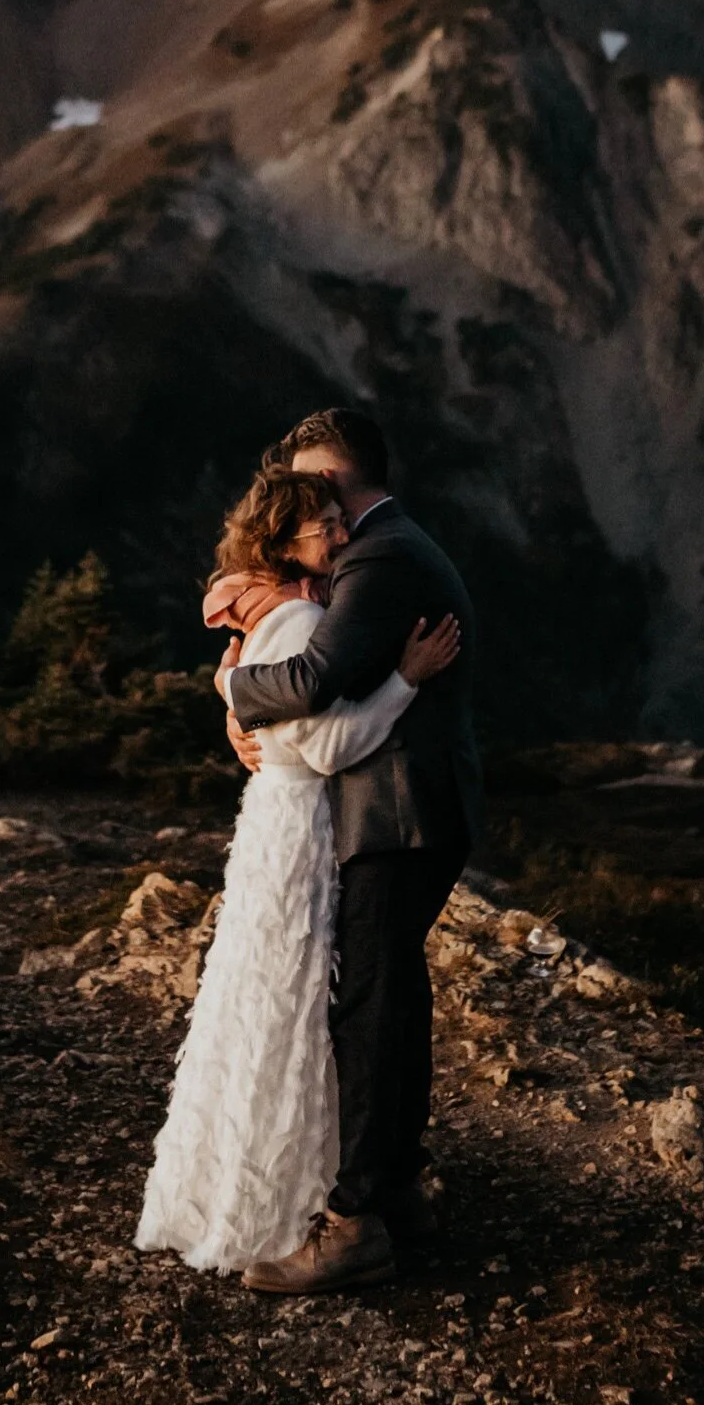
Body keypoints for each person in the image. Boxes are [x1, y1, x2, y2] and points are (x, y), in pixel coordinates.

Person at [134, 468, 460, 1279]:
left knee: (274, 1002)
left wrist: (234, 697)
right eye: (322, 524)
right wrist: (404, 682)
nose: (338, 533)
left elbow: (277, 715)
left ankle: (268, 1183)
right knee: (294, 1000)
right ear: (282, 541)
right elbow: (324, 746)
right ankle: (291, 1196)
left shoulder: (270, 612)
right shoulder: (302, 614)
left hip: (276, 824)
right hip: (298, 828)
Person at [222, 407, 481, 1294]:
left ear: (336, 471)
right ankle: (400, 1191)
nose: (309, 497)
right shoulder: (396, 542)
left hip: (395, 812)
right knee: (394, 991)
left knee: (367, 1006)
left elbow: (311, 680)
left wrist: (225, 685)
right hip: (416, 808)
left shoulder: (377, 555)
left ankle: (356, 1220)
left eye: (311, 477)